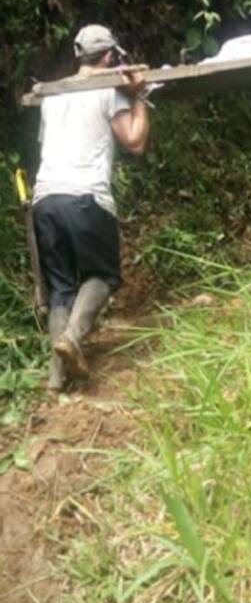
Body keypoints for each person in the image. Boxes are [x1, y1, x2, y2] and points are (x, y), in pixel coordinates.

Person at [32, 24, 151, 390]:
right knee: (104, 276)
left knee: (62, 287)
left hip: (45, 198)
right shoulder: (107, 90)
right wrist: (140, 97)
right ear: (111, 56)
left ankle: (56, 377)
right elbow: (134, 141)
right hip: (86, 196)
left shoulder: (53, 95)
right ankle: (73, 338)